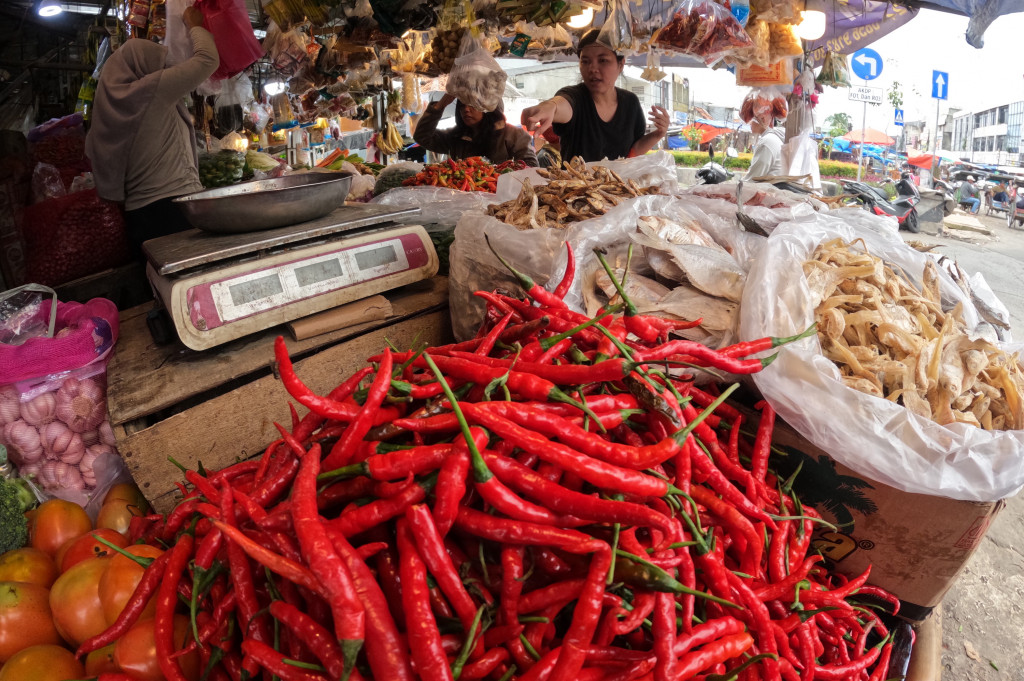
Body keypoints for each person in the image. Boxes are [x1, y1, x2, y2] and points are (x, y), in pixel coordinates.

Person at [86, 6, 219, 257]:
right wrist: (194, 26)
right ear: (142, 65)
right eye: (159, 63)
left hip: (139, 218)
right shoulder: (150, 90)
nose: (164, 69)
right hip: (173, 211)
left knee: (161, 289)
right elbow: (207, 60)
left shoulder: (113, 102)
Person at [519, 29, 668, 163]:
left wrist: (658, 134)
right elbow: (561, 104)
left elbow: (633, 150)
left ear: (621, 64)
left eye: (602, 60)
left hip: (620, 189)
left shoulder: (631, 103)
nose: (593, 68)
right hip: (575, 191)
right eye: (585, 61)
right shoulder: (575, 97)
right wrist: (549, 107)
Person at [413, 93, 537, 167]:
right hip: (464, 201)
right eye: (462, 105)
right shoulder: (456, 136)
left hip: (502, 200)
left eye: (473, 104)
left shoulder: (513, 134)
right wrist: (440, 106)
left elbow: (530, 166)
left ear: (489, 107)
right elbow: (422, 137)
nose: (466, 109)